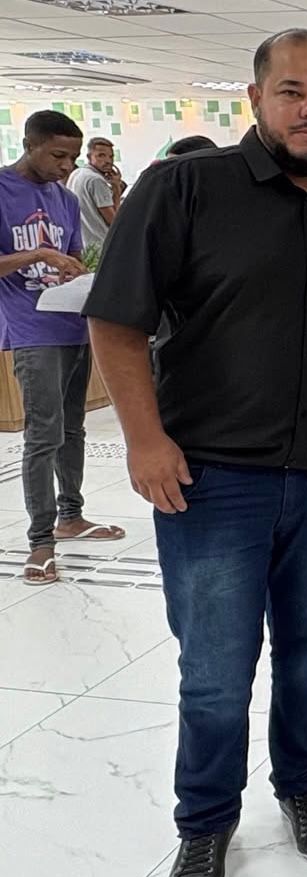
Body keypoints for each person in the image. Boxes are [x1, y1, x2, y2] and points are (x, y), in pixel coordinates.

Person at [83, 29, 307, 877]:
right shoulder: (183, 189)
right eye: (293, 92)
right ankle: (207, 821)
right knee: (216, 672)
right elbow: (116, 322)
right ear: (254, 98)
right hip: (213, 482)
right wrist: (144, 440)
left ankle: (305, 785)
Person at [0, 111, 125, 587]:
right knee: (43, 435)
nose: (66, 166)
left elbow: (72, 255)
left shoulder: (66, 198)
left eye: (72, 158)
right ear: (29, 144)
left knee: (73, 430)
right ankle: (40, 542)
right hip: (31, 329)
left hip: (71, 324)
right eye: (58, 155)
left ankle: (71, 516)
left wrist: (73, 269)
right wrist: (36, 254)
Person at [67, 136, 124, 250]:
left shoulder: (76, 174)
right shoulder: (96, 181)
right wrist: (116, 189)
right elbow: (114, 221)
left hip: (83, 246)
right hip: (101, 246)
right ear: (89, 157)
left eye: (111, 156)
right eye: (101, 155)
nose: (108, 161)